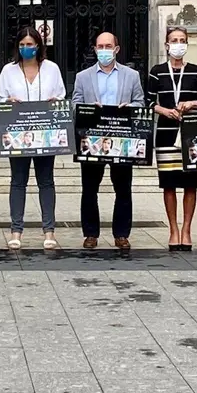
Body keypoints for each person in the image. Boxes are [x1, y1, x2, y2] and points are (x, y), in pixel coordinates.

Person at [0, 25, 67, 250]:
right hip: (18, 134)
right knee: (18, 181)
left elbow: (62, 96)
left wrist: (56, 102)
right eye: (23, 45)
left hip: (45, 135)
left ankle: (49, 231)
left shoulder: (52, 69)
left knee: (46, 181)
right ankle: (16, 231)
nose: (27, 48)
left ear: (38, 45)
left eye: (31, 44)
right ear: (18, 46)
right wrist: (8, 103)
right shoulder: (8, 70)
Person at [72, 31, 145, 250]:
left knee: (123, 188)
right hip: (92, 140)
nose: (104, 50)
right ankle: (91, 234)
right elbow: (74, 104)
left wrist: (129, 108)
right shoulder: (82, 77)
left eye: (108, 46)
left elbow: (140, 102)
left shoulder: (131, 76)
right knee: (89, 189)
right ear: (95, 49)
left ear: (116, 49)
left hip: (121, 139)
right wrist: (87, 109)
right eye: (100, 46)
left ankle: (121, 234)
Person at [148, 26, 197, 251]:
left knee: (191, 184)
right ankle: (173, 229)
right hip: (166, 131)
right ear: (166, 45)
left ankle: (187, 229)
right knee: (169, 184)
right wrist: (164, 110)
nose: (178, 44)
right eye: (174, 40)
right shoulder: (157, 71)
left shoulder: (196, 71)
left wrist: (192, 104)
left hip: (190, 133)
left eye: (182, 40)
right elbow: (147, 102)